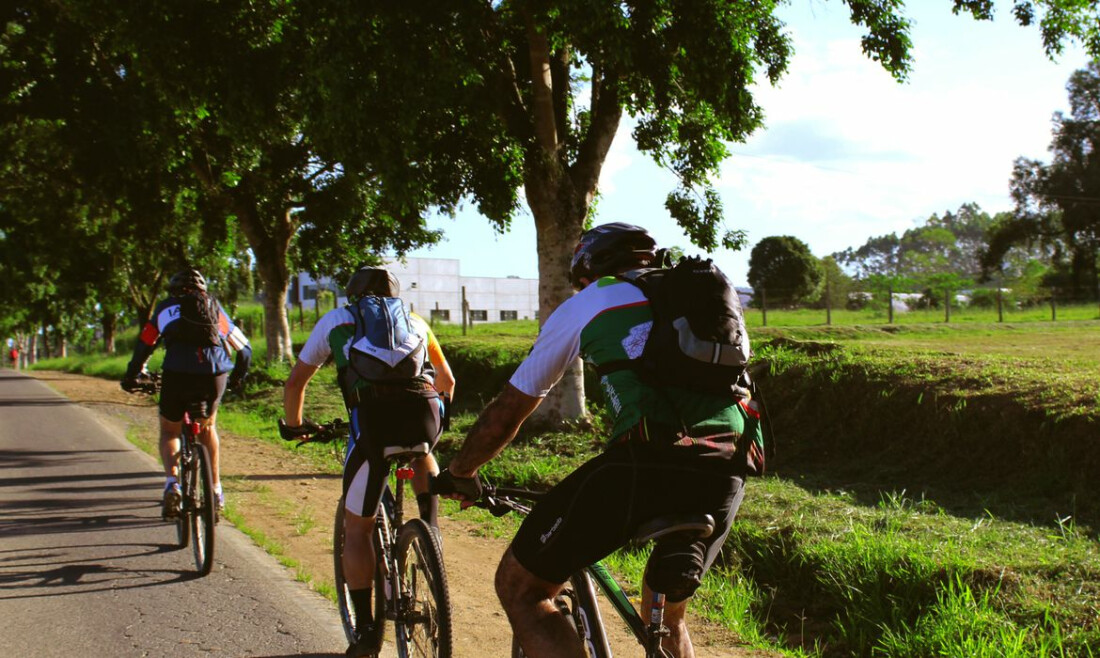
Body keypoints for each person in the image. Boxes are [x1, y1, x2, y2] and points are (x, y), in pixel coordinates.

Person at [435, 222, 761, 658]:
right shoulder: (700, 300)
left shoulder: (591, 300)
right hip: (729, 463)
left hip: (646, 463)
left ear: (587, 271)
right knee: (667, 615)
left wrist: (462, 471)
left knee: (521, 588)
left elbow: (510, 409)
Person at [280, 265, 455, 658]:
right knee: (422, 451)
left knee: (357, 529)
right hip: (425, 414)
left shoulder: (337, 320)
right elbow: (447, 380)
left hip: (373, 421)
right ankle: (430, 529)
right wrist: (443, 420)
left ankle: (365, 633)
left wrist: (294, 426)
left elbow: (295, 382)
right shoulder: (415, 321)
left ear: (353, 295)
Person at [121, 267, 252, 517]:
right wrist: (235, 379)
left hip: (177, 373)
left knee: (170, 430)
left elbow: (145, 344)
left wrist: (132, 375)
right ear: (203, 291)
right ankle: (215, 490)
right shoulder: (215, 309)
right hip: (214, 374)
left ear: (174, 291)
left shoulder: (165, 308)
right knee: (207, 428)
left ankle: (173, 484)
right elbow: (245, 350)